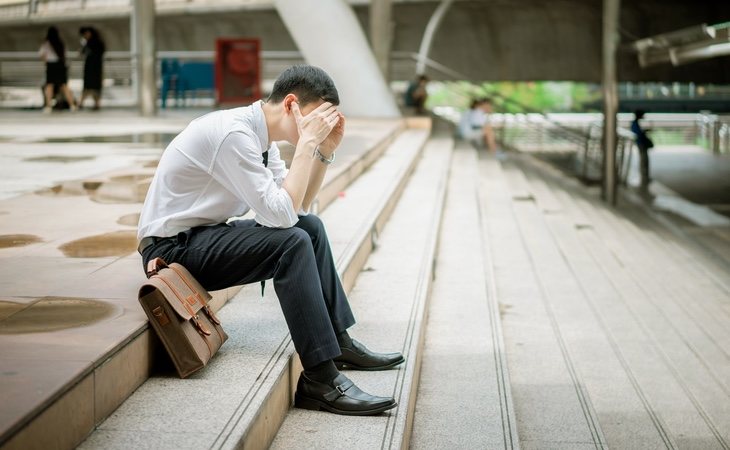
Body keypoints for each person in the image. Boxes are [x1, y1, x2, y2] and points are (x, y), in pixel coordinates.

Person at [137, 65, 404, 416]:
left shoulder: (262, 139)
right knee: (292, 243)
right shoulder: (234, 134)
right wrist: (308, 143)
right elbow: (280, 217)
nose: (320, 126)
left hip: (204, 235)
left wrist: (322, 149)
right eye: (316, 119)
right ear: (291, 104)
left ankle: (338, 344)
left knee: (309, 228)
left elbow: (297, 208)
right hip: (171, 249)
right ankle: (321, 381)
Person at [39, 26, 76, 113]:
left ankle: (48, 106)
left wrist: (46, 63)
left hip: (51, 66)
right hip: (61, 66)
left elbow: (42, 55)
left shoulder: (46, 44)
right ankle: (72, 105)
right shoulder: (61, 43)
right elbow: (65, 55)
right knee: (64, 86)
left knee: (49, 86)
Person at [78, 26, 106, 110]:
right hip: (90, 66)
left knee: (95, 86)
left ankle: (96, 103)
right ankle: (82, 102)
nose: (86, 35)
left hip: (96, 67)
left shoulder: (97, 42)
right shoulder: (87, 43)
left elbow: (100, 53)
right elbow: (81, 53)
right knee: (87, 86)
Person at [631, 109, 653, 186]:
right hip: (641, 143)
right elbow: (638, 134)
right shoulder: (635, 123)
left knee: (643, 159)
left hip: (640, 143)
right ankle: (644, 175)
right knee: (644, 159)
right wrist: (644, 131)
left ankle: (644, 175)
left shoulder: (635, 123)